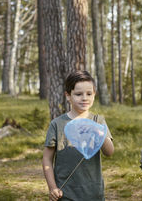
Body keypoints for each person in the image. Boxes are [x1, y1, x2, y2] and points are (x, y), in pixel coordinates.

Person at [42, 71, 114, 201]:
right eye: (78, 94)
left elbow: (109, 152)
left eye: (89, 94)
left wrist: (99, 133)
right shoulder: (57, 124)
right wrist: (52, 187)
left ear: (94, 95)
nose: (84, 98)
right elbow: (47, 159)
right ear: (68, 96)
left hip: (94, 193)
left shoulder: (98, 121)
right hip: (65, 194)